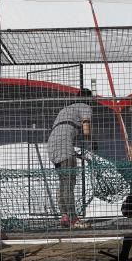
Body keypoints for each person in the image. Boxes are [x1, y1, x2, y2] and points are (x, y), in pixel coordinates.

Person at [47, 89, 93, 227]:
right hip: (64, 146)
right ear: (88, 99)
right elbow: (86, 130)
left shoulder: (66, 109)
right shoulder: (85, 107)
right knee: (69, 184)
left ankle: (65, 217)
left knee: (63, 183)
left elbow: (64, 130)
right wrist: (93, 142)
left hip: (52, 146)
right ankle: (74, 219)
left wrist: (76, 154)